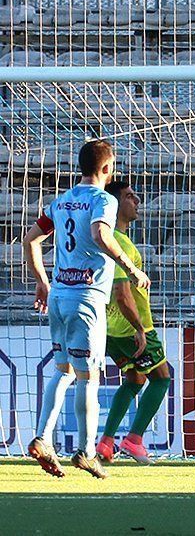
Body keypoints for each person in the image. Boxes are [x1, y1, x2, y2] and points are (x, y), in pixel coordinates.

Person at [22, 140, 151, 478]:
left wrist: (41, 281)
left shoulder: (61, 201)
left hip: (59, 296)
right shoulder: (103, 200)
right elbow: (99, 234)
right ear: (107, 169)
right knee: (88, 377)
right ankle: (87, 451)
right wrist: (132, 268)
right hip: (86, 298)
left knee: (62, 371)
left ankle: (42, 438)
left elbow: (30, 238)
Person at [95, 181, 171, 465]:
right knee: (162, 378)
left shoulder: (107, 239)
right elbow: (122, 292)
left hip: (112, 328)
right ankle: (134, 439)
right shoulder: (118, 243)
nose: (136, 200)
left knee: (135, 378)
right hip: (132, 326)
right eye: (129, 196)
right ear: (115, 205)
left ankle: (106, 441)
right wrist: (140, 328)